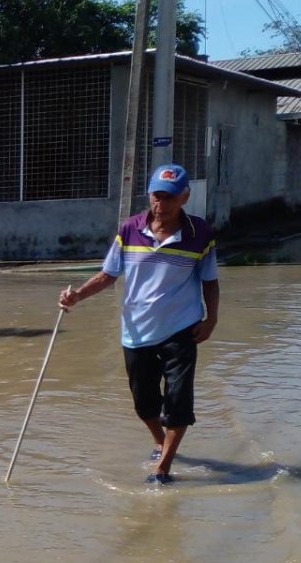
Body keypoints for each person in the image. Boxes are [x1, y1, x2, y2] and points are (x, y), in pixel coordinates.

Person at [58, 163, 219, 485]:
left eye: (170, 197)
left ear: (184, 197)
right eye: (157, 196)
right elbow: (107, 275)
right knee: (144, 403)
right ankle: (161, 442)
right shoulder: (129, 229)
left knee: (178, 400)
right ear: (149, 194)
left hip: (181, 328)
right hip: (136, 330)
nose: (162, 204)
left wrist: (211, 318)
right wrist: (77, 295)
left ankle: (163, 468)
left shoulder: (199, 234)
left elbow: (210, 282)